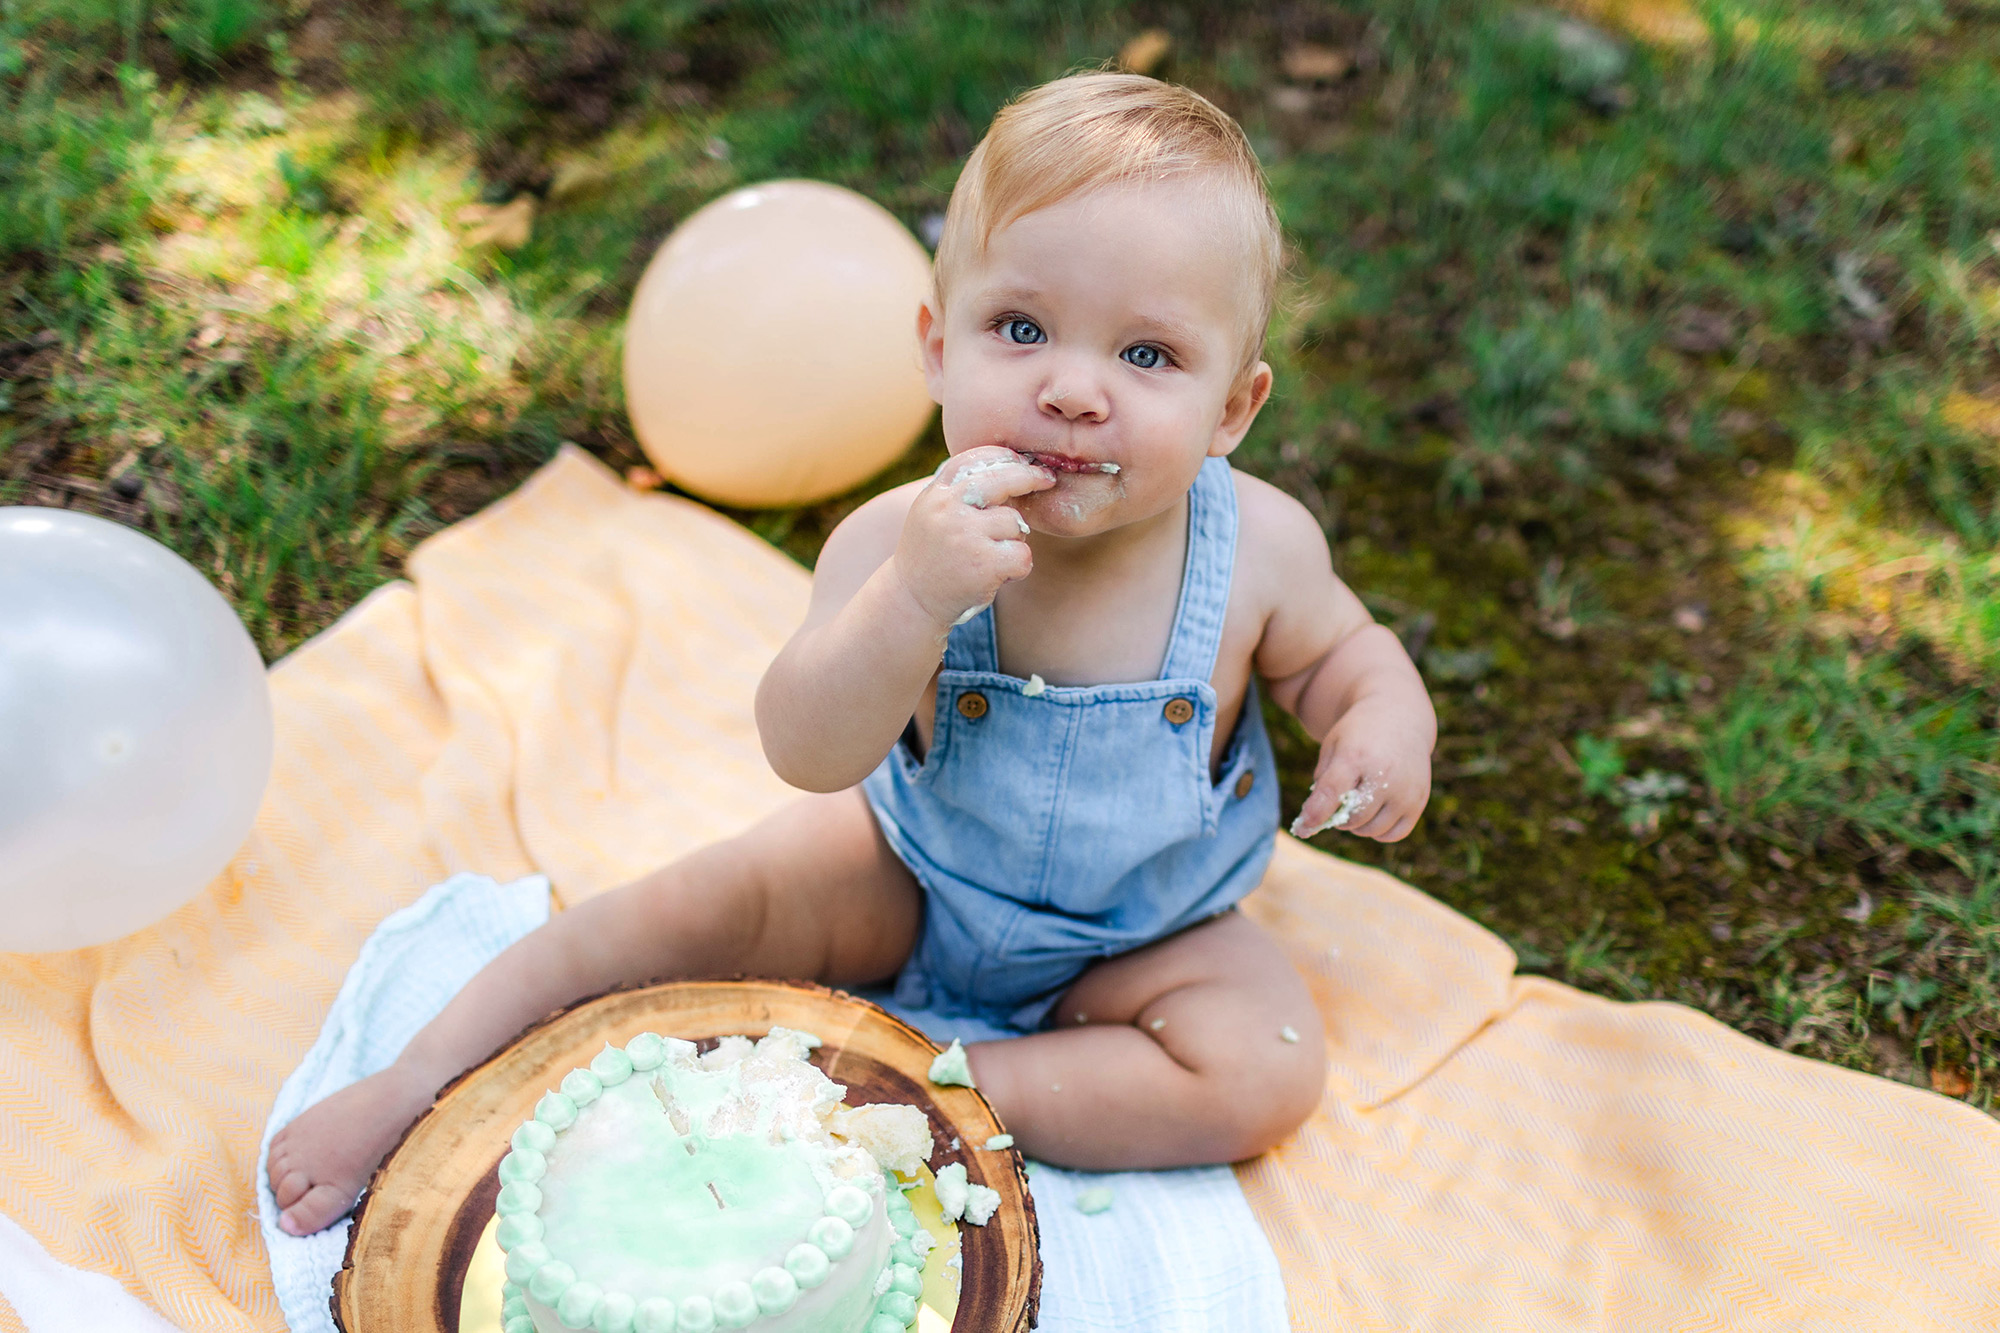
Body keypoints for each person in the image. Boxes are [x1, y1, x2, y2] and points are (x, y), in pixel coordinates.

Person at [268, 70, 1435, 1238]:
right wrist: (913, 600)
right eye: (1019, 329)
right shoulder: (892, 542)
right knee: (668, 914)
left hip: (1147, 930)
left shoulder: (1262, 550)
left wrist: (1381, 721)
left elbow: (1346, 657)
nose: (1072, 391)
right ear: (935, 349)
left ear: (1232, 408)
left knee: (1264, 1071)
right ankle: (414, 1080)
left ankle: (913, 1080)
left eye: (1146, 357)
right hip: (905, 873)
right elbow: (808, 748)